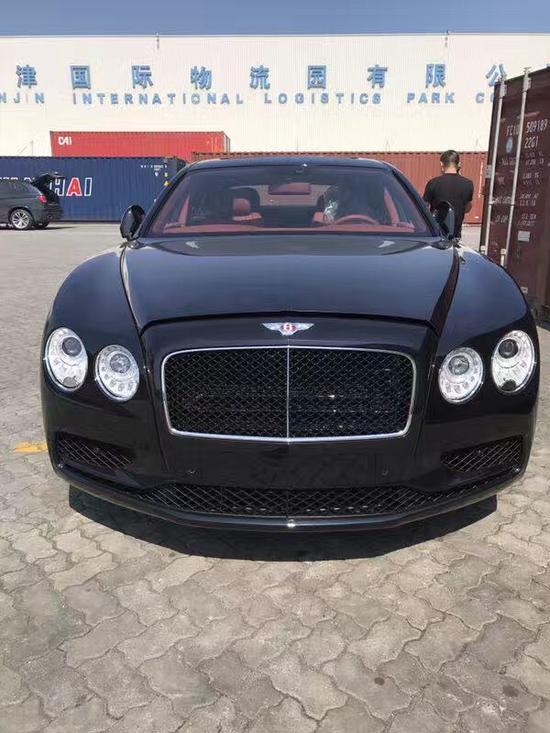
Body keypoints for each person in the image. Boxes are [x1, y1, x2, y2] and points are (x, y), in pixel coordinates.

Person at [423, 150, 474, 239]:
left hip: (436, 234)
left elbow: (424, 207)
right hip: (456, 235)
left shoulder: (433, 183)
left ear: (441, 164)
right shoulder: (468, 184)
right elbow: (467, 208)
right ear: (459, 164)